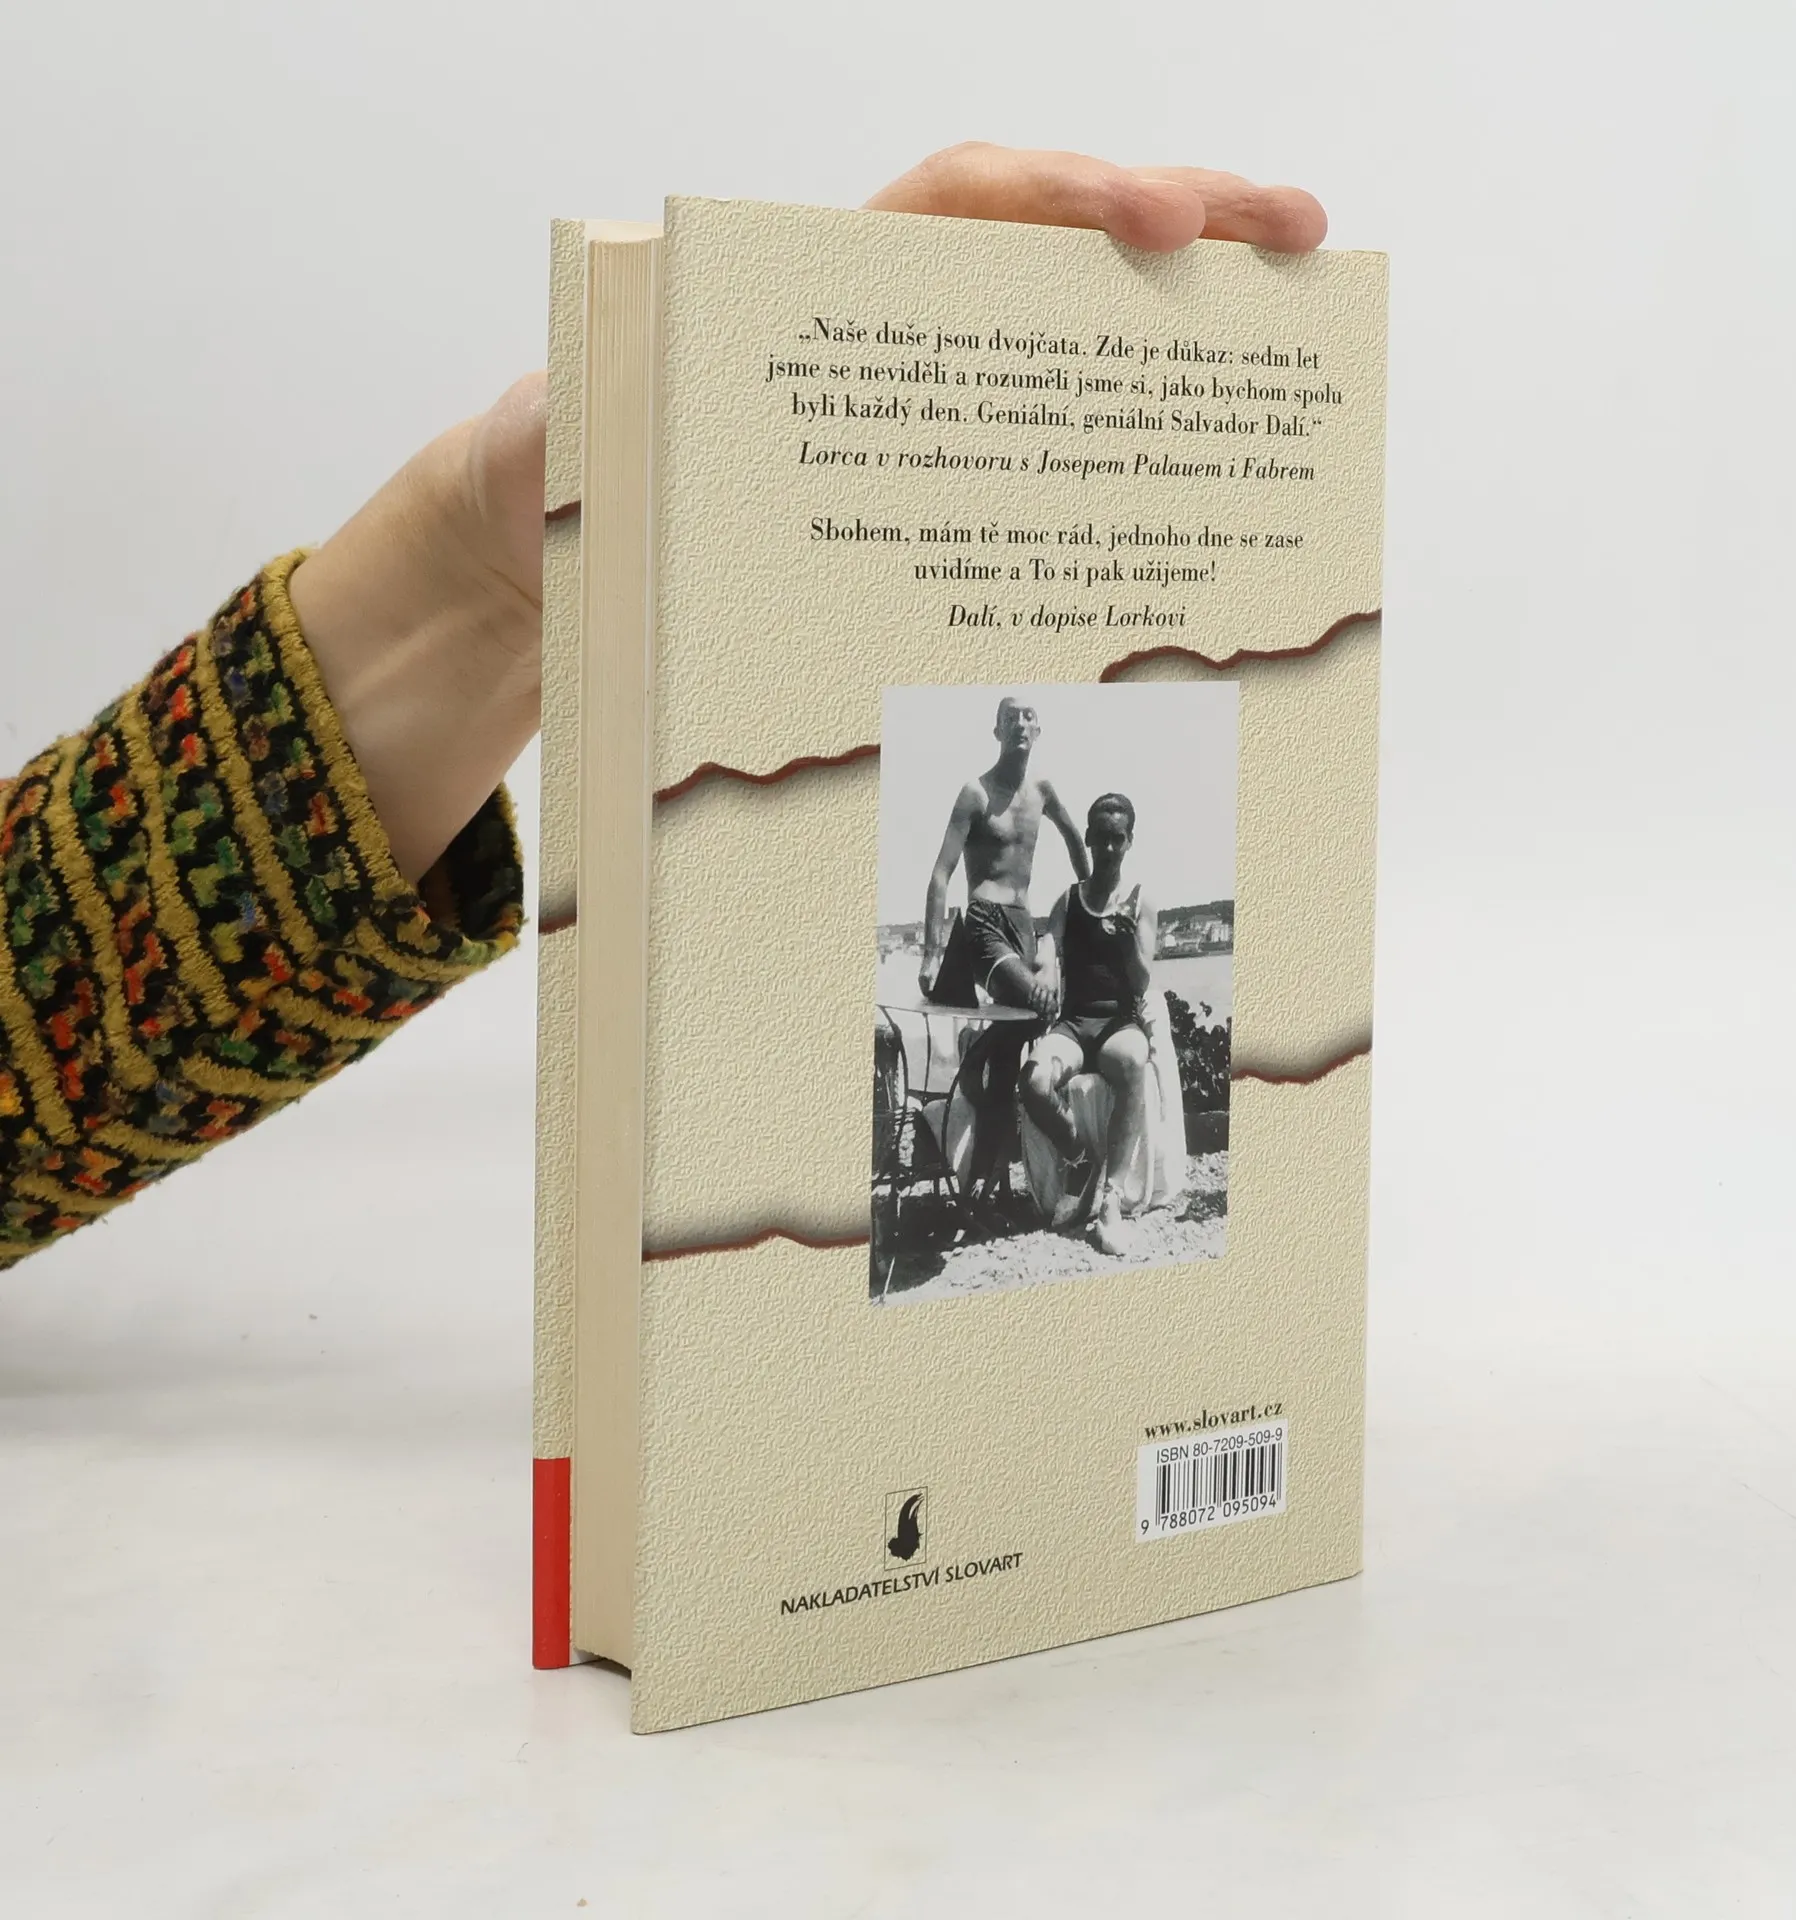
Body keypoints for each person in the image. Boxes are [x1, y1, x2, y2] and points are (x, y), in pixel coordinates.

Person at [0, 145, 1327, 1268]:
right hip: (983, 940)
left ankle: (1075, 1193)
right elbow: (942, 872)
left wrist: (482, 570)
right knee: (1003, 1039)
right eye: (1022, 726)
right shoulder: (988, 795)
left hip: (1030, 952)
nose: (1032, 739)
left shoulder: (1054, 809)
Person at [1022, 795, 1161, 1255]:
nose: (1109, 848)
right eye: (1100, 838)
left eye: (1117, 838)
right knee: (1034, 1081)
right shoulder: (1068, 900)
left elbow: (1141, 982)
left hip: (1117, 1024)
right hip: (1074, 1024)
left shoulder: (1140, 902)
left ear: (1129, 841)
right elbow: (1048, 947)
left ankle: (1111, 1199)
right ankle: (1082, 1159)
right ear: (1087, 838)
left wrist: (1127, 943)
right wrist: (1045, 969)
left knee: (1133, 1060)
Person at [919, 696, 1087, 1011]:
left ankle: (973, 1043)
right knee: (1040, 1003)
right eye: (1010, 718)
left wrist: (1088, 901)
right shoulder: (975, 793)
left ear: (1037, 731)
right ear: (997, 731)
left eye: (1028, 716)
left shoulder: (1042, 791)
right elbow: (941, 873)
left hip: (1023, 922)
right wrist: (932, 954)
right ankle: (975, 1044)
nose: (1020, 724)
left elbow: (1074, 840)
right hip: (985, 921)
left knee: (1028, 1022)